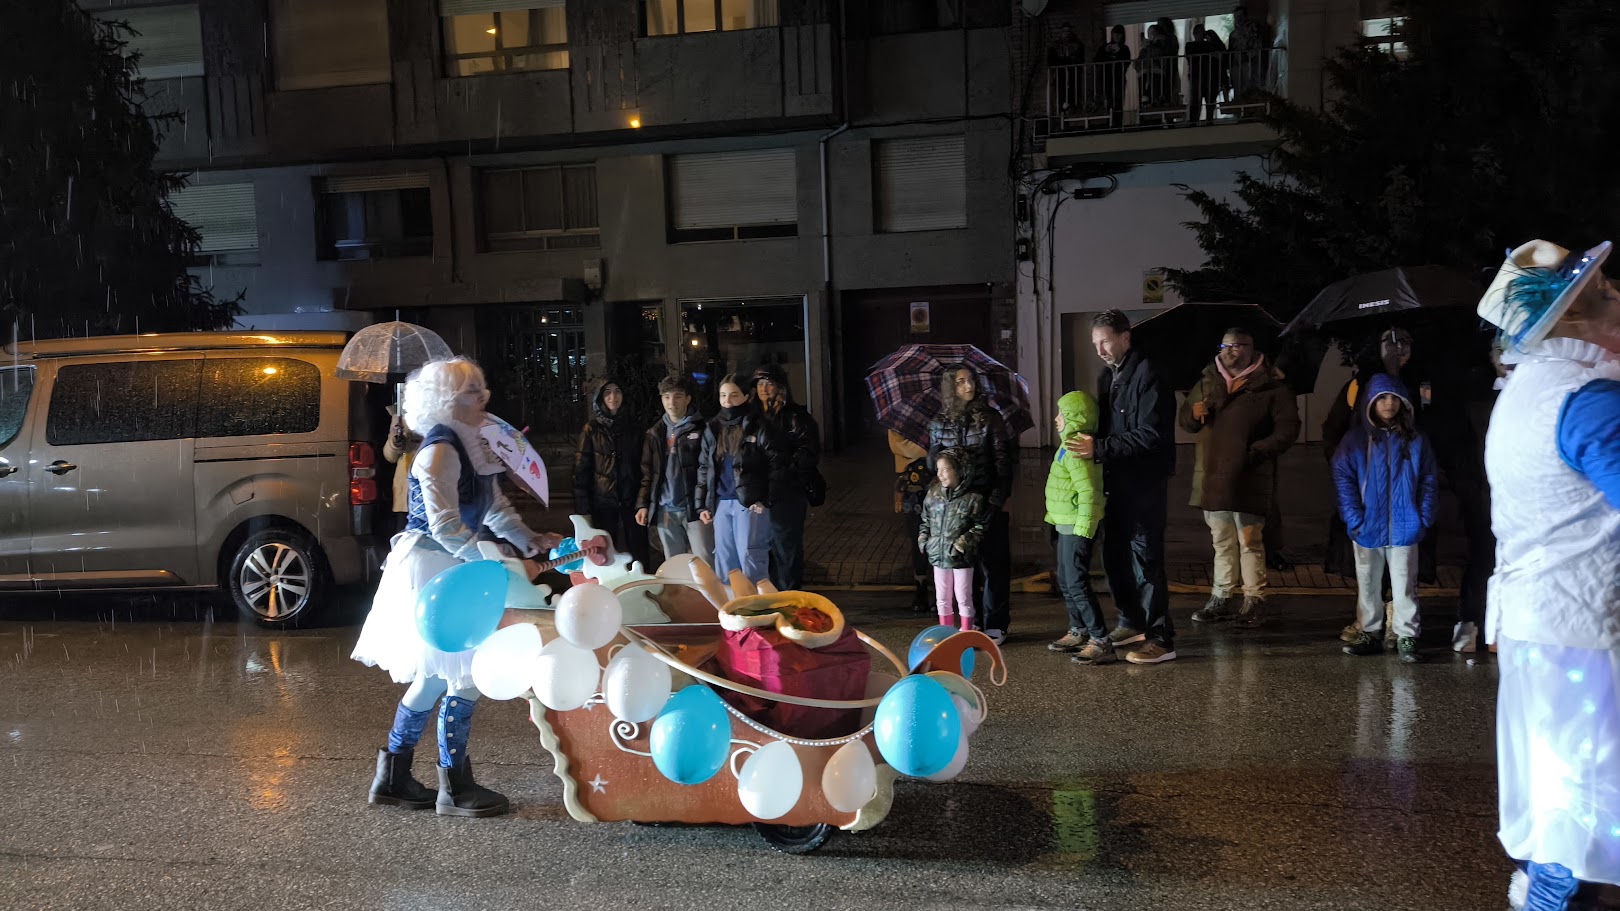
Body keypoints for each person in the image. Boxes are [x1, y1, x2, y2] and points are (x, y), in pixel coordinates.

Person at [351, 357, 568, 818]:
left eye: (481, 388)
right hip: (434, 565)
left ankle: (392, 777)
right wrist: (492, 562)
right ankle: (455, 786)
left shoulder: (472, 443)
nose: (483, 398)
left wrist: (528, 539)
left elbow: (493, 508)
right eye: (472, 392)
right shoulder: (440, 451)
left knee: (434, 678)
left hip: (451, 563)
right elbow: (446, 526)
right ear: (447, 402)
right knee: (464, 675)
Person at [1478, 239, 1620, 911]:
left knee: (1562, 793)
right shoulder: (1589, 398)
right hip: (1589, 630)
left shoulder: (1527, 390)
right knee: (1588, 808)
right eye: (1612, 297)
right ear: (1572, 321)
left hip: (1541, 623)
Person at [1067, 310, 1178, 664]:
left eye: (1105, 341)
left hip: (1144, 483)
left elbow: (1151, 434)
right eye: (1095, 343)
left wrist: (1097, 449)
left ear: (1125, 337)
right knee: (1114, 556)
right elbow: (1107, 427)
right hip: (1114, 480)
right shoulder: (1107, 376)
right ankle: (1132, 621)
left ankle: (1162, 639)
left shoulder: (1150, 374)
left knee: (1146, 561)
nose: (1099, 349)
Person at [1180, 328, 1301, 628]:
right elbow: (1186, 422)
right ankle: (1221, 597)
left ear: (1252, 349)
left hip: (1250, 479)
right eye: (1226, 345)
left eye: (1238, 345)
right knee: (1221, 541)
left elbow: (1288, 430)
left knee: (1250, 542)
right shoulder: (1208, 381)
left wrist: (1256, 452)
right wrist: (1194, 414)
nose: (1231, 350)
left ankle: (1254, 599)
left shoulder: (1272, 387)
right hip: (1213, 479)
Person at [1333, 374, 1437, 663]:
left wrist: (1423, 516)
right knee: (1367, 582)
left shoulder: (1416, 440)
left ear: (1403, 403)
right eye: (1382, 398)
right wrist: (1354, 517)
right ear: (1371, 402)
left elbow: (1428, 478)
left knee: (1405, 583)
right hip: (1368, 525)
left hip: (1406, 525)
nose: (1388, 404)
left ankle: (1407, 635)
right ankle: (1370, 630)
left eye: (1394, 398)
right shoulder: (1355, 440)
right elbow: (1344, 477)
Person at [928, 365, 1014, 644]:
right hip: (956, 508)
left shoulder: (990, 419)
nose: (968, 386)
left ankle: (997, 623)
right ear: (950, 387)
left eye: (971, 380)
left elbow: (1003, 463)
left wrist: (997, 500)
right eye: (961, 381)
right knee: (965, 565)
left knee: (994, 564)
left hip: (987, 500)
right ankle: (971, 620)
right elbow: (934, 466)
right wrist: (936, 457)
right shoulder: (939, 421)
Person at [1043, 391, 1109, 664]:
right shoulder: (1066, 446)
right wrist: (1052, 518)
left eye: (1062, 413)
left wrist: (1084, 527)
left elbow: (1089, 492)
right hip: (1064, 523)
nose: (1057, 419)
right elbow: (1061, 489)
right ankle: (1077, 629)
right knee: (1065, 580)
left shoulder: (1076, 450)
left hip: (1076, 527)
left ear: (1075, 418)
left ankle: (1099, 638)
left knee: (1077, 583)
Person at [696, 374, 777, 586]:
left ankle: (758, 608)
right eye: (723, 395)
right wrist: (703, 503)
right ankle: (731, 607)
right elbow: (705, 467)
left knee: (750, 554)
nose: (727, 401)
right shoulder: (713, 427)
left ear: (746, 397)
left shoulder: (758, 425)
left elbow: (775, 464)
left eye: (733, 395)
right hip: (722, 501)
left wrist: (765, 498)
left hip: (750, 502)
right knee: (724, 556)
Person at [752, 363, 820, 592]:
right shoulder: (751, 416)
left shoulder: (796, 416)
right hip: (760, 493)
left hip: (789, 492)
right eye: (759, 383)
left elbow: (808, 452)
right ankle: (770, 594)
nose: (763, 388)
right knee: (761, 546)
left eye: (768, 383)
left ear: (781, 386)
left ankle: (789, 595)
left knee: (786, 546)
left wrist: (783, 472)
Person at [572, 379, 650, 570]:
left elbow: (645, 466)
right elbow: (581, 471)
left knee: (639, 551)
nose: (613, 397)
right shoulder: (591, 429)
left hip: (631, 500)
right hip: (603, 502)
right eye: (607, 393)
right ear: (600, 398)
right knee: (605, 552)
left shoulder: (635, 427)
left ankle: (643, 589)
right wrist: (584, 510)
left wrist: (643, 501)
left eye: (617, 392)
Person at [637, 375, 712, 568]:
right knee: (674, 565)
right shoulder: (655, 433)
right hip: (666, 510)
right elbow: (647, 472)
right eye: (667, 397)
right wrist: (643, 504)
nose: (672, 402)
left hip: (694, 508)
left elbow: (709, 470)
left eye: (678, 396)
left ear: (688, 399)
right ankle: (681, 598)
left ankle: (710, 598)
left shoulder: (703, 429)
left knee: (705, 561)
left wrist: (705, 504)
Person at [918, 448, 987, 632]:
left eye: (945, 469)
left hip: (961, 558)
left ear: (960, 470)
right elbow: (925, 520)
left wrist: (963, 543)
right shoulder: (933, 495)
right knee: (942, 597)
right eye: (938, 469)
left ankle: (966, 632)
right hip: (938, 555)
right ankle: (945, 633)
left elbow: (980, 526)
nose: (940, 474)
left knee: (963, 597)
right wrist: (924, 539)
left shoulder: (973, 499)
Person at [890, 429, 935, 613]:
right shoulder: (901, 419)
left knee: (941, 538)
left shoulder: (943, 413)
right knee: (918, 540)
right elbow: (898, 445)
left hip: (939, 484)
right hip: (912, 488)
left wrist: (916, 447)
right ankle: (921, 588)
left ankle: (941, 591)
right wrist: (931, 449)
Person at [383, 403, 422, 534]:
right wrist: (395, 443)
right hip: (406, 493)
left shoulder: (439, 410)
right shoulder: (400, 412)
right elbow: (390, 456)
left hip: (429, 486)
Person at [1093, 24, 1133, 128]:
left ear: (1122, 35)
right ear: (1112, 34)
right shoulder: (1105, 47)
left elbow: (1127, 62)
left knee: (1118, 101)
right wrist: (1105, 50)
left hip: (1119, 78)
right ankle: (1108, 123)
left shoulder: (1124, 48)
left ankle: (1118, 124)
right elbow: (1096, 60)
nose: (1117, 37)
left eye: (1119, 35)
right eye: (1115, 34)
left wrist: (1119, 51)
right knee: (1108, 100)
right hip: (1106, 78)